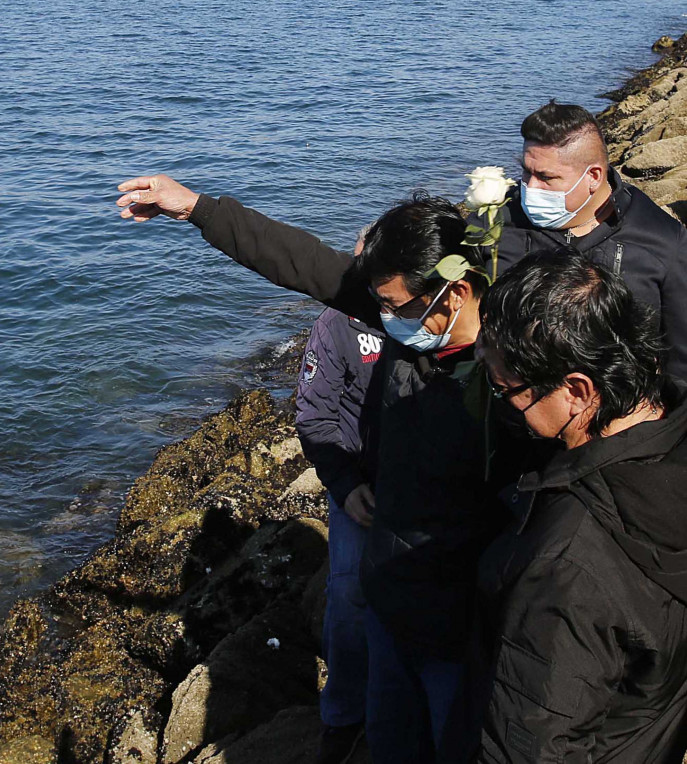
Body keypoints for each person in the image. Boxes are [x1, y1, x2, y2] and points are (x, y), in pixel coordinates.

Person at [116, 177, 514, 763]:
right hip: (393, 595)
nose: (377, 319)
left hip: (457, 621)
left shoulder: (517, 370)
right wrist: (199, 208)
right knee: (389, 740)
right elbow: (298, 261)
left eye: (390, 306)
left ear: (452, 295)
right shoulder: (414, 325)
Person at [473, 253, 687, 762]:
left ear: (577, 390)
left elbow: (529, 744)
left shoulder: (568, 564)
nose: (504, 404)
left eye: (507, 391)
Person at [483, 100, 687, 377]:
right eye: (526, 172)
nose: (530, 188)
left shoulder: (662, 242)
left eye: (546, 177)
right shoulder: (497, 222)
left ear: (593, 176)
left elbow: (681, 360)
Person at [294, 227, 383, 763]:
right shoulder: (336, 325)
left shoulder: (433, 318)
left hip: (423, 483)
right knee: (349, 596)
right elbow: (314, 415)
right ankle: (343, 715)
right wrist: (347, 488)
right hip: (359, 486)